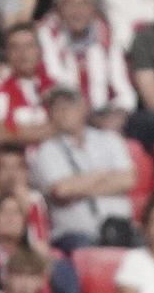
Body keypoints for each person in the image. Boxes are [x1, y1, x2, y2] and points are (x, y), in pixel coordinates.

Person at [31, 87, 136, 250]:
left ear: (83, 108)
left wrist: (78, 184)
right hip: (76, 235)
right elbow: (62, 191)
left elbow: (127, 180)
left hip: (121, 229)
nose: (63, 112)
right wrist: (104, 175)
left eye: (68, 106)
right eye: (57, 108)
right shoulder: (46, 150)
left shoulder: (110, 139)